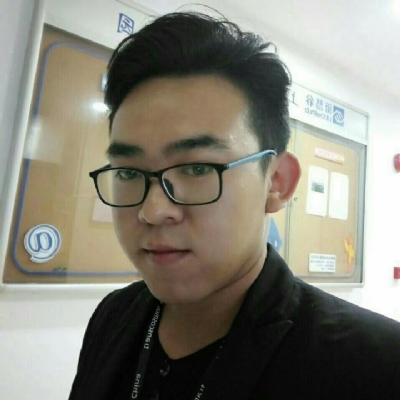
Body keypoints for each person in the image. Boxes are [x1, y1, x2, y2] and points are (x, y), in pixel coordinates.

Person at [69, 11, 400, 400]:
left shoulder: (375, 364)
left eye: (196, 168)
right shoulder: (113, 316)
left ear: (276, 182)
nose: (153, 211)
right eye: (128, 172)